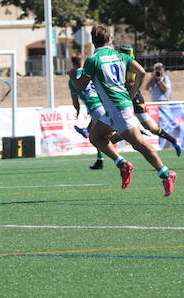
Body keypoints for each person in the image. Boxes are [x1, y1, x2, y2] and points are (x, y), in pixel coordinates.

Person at [72, 25, 177, 197]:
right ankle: (122, 164)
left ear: (93, 41)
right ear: (109, 40)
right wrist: (133, 91)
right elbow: (142, 72)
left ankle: (166, 174)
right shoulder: (120, 55)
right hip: (116, 107)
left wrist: (72, 78)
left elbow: (80, 86)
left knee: (139, 143)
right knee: (95, 136)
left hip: (117, 108)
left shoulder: (93, 60)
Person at [117, 46, 182, 157]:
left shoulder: (130, 64)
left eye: (120, 53)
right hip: (125, 96)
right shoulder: (122, 64)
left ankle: (173, 140)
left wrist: (127, 92)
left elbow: (132, 82)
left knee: (151, 128)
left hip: (134, 97)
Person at [68, 55, 107, 170]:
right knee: (98, 134)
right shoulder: (90, 73)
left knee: (103, 136)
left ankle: (119, 161)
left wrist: (77, 110)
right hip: (104, 104)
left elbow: (75, 100)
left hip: (94, 106)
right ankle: (100, 160)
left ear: (73, 64)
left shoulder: (73, 80)